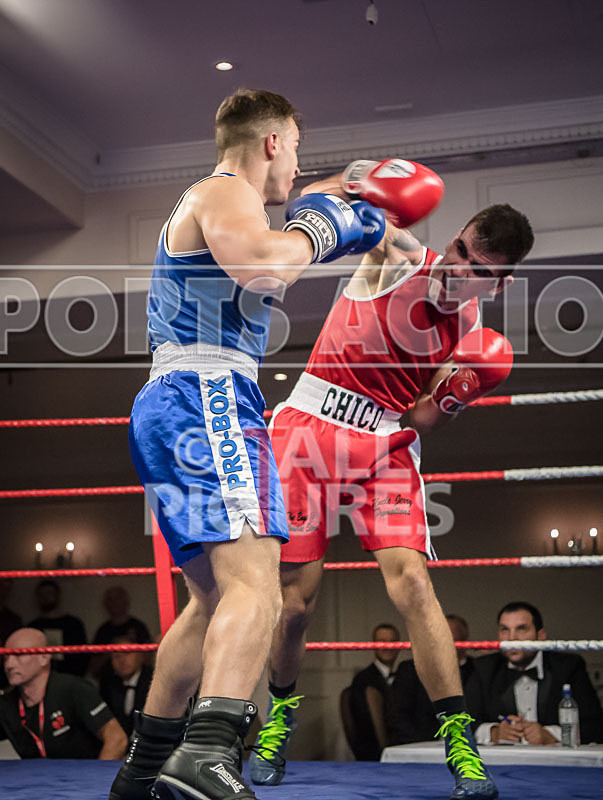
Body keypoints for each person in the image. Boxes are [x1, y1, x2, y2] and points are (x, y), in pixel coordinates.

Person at [109, 88, 373, 800]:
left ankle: (144, 768)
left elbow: (300, 209)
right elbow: (264, 265)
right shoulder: (224, 191)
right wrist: (323, 228)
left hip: (178, 401)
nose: (298, 166)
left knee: (209, 601)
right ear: (272, 142)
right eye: (296, 149)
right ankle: (207, 751)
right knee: (259, 583)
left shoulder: (226, 199)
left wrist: (346, 194)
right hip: (209, 396)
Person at [249, 157, 535, 800]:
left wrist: (457, 395)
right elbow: (306, 202)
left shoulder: (470, 333)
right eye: (461, 251)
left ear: (501, 284)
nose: (459, 270)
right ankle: (279, 719)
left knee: (414, 583)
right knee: (295, 602)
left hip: (382, 441)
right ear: (454, 238)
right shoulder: (398, 254)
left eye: (479, 270)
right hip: (309, 427)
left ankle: (460, 745)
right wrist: (359, 178)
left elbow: (422, 416)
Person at [465, 601, 603, 745]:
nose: (512, 638)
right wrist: (493, 732)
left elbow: (594, 725)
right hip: (501, 758)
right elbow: (461, 722)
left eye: (521, 629)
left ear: (540, 635)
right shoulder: (483, 668)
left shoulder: (568, 666)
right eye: (505, 630)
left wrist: (551, 735)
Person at [0, 628, 127, 759]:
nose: (9, 665)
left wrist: (97, 772)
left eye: (19, 655)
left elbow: (117, 739)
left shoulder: (73, 688)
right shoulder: (6, 702)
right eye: (6, 657)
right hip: (37, 772)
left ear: (44, 657)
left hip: (84, 771)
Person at [387, 614, 475, 745]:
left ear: (464, 641)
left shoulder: (477, 669)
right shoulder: (411, 669)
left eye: (450, 638)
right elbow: (397, 716)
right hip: (420, 746)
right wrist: (422, 747)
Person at [346, 622, 400, 760]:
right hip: (374, 758)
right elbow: (366, 729)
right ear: (373, 645)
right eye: (382, 641)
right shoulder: (363, 679)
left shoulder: (404, 676)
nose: (388, 646)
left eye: (393, 641)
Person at [27, 579, 88, 677]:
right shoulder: (33, 627)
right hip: (40, 679)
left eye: (49, 593)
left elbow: (83, 657)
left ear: (57, 595)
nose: (46, 597)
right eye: (42, 594)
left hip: (70, 677)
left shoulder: (73, 624)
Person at [89, 586, 152, 680]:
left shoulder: (138, 627)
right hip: (109, 682)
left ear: (126, 601)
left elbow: (148, 659)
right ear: (105, 604)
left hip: (139, 681)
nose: (114, 602)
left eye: (117, 598)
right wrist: (110, 651)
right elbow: (94, 667)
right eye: (110, 599)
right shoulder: (103, 631)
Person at [99, 633, 153, 738]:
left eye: (127, 653)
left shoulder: (153, 681)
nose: (122, 660)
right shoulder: (108, 685)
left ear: (140, 655)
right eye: (117, 656)